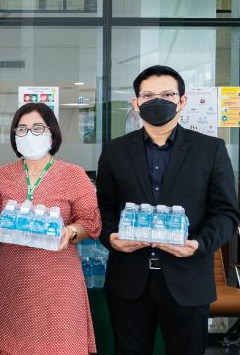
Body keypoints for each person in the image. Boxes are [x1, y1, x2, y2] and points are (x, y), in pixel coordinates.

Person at [97, 65, 240, 355]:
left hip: (188, 280)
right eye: (148, 95)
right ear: (136, 103)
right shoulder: (115, 151)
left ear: (182, 101)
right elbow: (104, 209)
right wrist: (110, 237)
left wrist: (199, 244)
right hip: (129, 281)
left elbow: (226, 214)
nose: (157, 101)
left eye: (167, 94)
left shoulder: (210, 149)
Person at [0, 102, 100, 354]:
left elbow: (90, 223)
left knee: (59, 345)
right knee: (10, 344)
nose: (28, 134)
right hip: (12, 279)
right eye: (21, 129)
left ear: (52, 133)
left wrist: (71, 231)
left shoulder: (74, 175)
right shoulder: (1, 175)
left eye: (37, 128)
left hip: (59, 281)